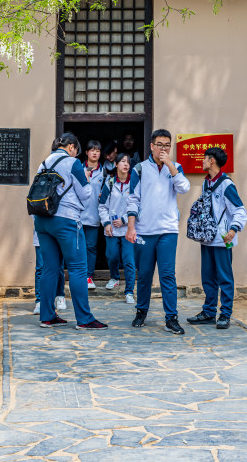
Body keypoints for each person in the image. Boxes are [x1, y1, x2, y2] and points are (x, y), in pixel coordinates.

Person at [34, 132, 108, 330]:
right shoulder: (73, 163)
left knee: (50, 268)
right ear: (72, 147)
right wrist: (85, 178)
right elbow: (85, 194)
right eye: (77, 150)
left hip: (42, 220)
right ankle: (84, 319)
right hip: (66, 220)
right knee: (77, 268)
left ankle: (47, 316)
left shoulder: (44, 162)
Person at [126, 128, 191, 334]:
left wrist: (170, 165)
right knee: (144, 274)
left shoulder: (176, 167)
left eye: (167, 145)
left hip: (168, 230)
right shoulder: (140, 169)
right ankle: (141, 311)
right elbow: (133, 199)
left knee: (167, 275)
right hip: (145, 230)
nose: (163, 148)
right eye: (159, 145)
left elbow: (184, 188)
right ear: (151, 146)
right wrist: (131, 226)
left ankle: (171, 317)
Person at [186, 147, 247, 329]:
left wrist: (234, 229)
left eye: (205, 158)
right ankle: (209, 312)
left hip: (222, 239)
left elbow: (240, 211)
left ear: (212, 161)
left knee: (224, 277)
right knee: (208, 277)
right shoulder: (207, 183)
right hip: (207, 237)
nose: (202, 161)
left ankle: (225, 314)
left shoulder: (226, 184)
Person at [99, 152, 136, 303]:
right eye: (122, 161)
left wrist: (125, 220)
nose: (126, 164)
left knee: (128, 260)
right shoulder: (109, 183)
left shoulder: (134, 183)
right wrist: (106, 223)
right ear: (116, 164)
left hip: (128, 228)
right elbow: (102, 206)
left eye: (128, 162)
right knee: (112, 256)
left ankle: (129, 291)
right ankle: (114, 277)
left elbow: (139, 205)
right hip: (112, 229)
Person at [81, 139, 103, 289]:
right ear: (87, 152)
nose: (95, 153)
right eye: (92, 150)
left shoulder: (105, 172)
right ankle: (78, 275)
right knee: (77, 247)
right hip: (78, 216)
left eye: (98, 150)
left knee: (91, 247)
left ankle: (88, 276)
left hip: (95, 216)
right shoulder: (78, 169)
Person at [32, 224, 66, 314]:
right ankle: (39, 302)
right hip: (40, 236)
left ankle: (60, 296)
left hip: (58, 235)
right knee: (40, 268)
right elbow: (33, 211)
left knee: (59, 267)